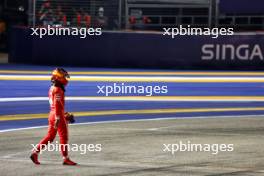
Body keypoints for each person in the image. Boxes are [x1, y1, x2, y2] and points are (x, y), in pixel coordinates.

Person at [30, 68, 77, 166]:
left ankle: (35, 152)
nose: (65, 78)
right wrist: (59, 117)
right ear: (58, 77)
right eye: (63, 76)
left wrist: (60, 114)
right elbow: (57, 104)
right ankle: (65, 158)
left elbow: (56, 104)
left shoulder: (52, 88)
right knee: (64, 137)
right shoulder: (58, 89)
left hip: (52, 113)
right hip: (57, 115)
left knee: (50, 137)